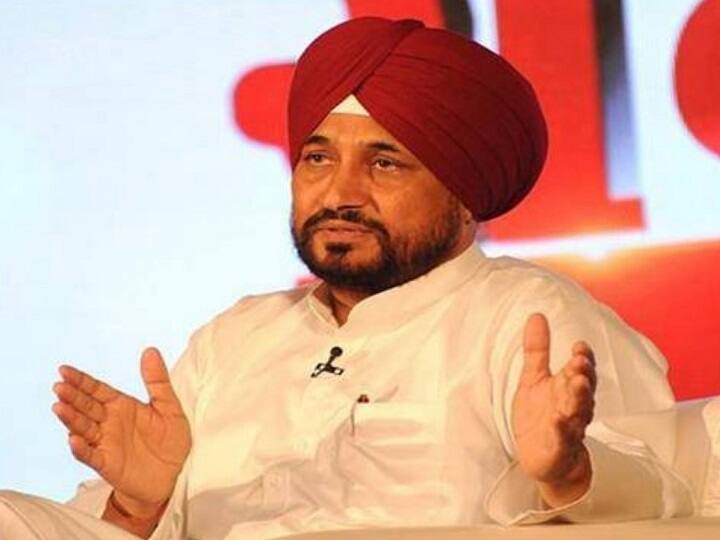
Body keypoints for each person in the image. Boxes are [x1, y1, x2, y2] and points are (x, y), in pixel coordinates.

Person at [2, 16, 693, 540]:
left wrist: (570, 472)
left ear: (465, 195)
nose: (340, 193)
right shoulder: (237, 336)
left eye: (385, 163)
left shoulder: (529, 315)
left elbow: (674, 500)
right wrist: (138, 504)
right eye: (318, 159)